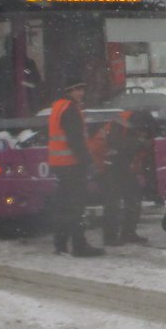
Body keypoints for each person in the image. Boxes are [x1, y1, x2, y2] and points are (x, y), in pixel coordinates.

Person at [47, 80, 103, 257]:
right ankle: (79, 246)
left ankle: (60, 244)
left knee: (64, 206)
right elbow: (76, 140)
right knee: (77, 207)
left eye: (82, 89)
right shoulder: (70, 109)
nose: (81, 93)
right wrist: (88, 162)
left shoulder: (58, 107)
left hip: (60, 165)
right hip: (72, 165)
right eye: (78, 90)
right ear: (69, 91)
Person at [89, 109, 158, 247]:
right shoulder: (119, 125)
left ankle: (128, 233)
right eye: (142, 133)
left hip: (122, 165)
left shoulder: (143, 134)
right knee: (112, 200)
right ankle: (110, 237)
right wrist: (138, 143)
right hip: (105, 164)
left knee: (134, 198)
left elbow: (149, 164)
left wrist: (153, 188)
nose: (143, 135)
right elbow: (116, 147)